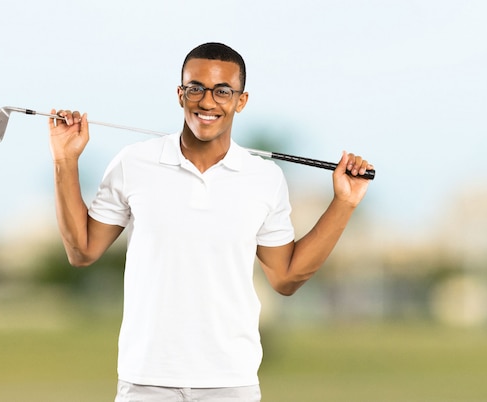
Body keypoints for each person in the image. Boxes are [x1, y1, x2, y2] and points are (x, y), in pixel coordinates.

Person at [48, 42, 373, 402]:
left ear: (241, 100)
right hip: (146, 380)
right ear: (180, 94)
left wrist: (344, 202)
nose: (206, 102)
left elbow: (286, 277)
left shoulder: (264, 178)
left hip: (230, 382)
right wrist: (65, 160)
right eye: (195, 88)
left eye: (222, 91)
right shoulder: (133, 163)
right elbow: (82, 251)